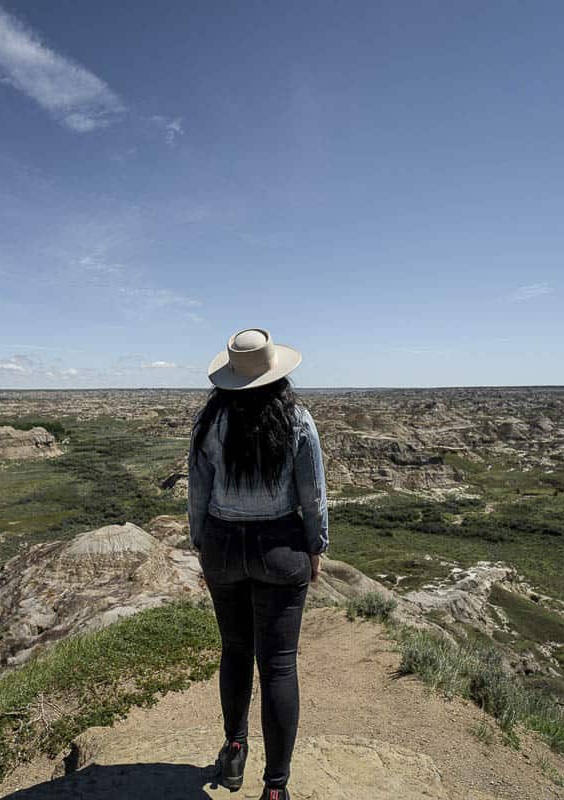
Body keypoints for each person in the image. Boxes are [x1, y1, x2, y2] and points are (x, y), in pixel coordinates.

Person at [188, 328, 329, 800]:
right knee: (279, 667)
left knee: (234, 649)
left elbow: (199, 494)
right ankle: (275, 787)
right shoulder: (297, 421)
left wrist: (200, 544)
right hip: (280, 547)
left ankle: (233, 750)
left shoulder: (210, 423)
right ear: (277, 375)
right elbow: (312, 497)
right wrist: (316, 547)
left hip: (223, 546)